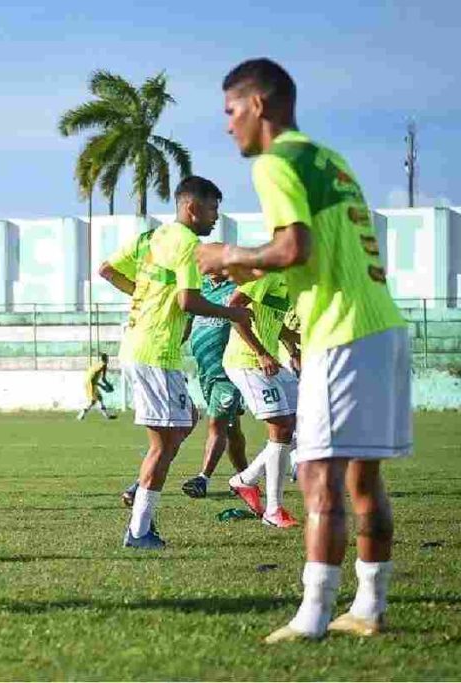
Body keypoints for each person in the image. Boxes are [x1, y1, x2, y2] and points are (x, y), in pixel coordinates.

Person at [198, 58, 411, 641]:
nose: (228, 126)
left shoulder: (278, 161)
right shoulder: (329, 159)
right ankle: (368, 608)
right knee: (362, 479)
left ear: (258, 106)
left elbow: (293, 246)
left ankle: (312, 617)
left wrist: (228, 256)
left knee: (317, 474)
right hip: (381, 324)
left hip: (343, 334)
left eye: (230, 111)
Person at [101, 175, 251, 549]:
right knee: (164, 445)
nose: (216, 216)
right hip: (155, 351)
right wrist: (233, 315)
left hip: (141, 345)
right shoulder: (187, 244)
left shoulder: (153, 237)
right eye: (213, 208)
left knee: (184, 423)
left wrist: (144, 295)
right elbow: (189, 302)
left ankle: (140, 500)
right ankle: (138, 530)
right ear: (192, 207)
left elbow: (107, 269)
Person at [222, 271, 300, 528]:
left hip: (270, 362)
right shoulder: (267, 273)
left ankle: (246, 480)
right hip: (248, 362)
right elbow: (233, 307)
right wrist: (261, 352)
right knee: (281, 427)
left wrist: (295, 348)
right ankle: (273, 511)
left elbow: (278, 326)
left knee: (303, 423)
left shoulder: (292, 280)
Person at [180, 273, 249, 499]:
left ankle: (202, 479)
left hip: (227, 368)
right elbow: (187, 325)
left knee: (216, 423)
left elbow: (246, 317)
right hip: (205, 370)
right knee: (231, 428)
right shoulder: (200, 289)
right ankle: (245, 479)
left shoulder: (239, 285)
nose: (205, 266)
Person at [77, 353, 116, 420]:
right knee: (92, 401)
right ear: (106, 359)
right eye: (107, 358)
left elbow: (93, 375)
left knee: (100, 398)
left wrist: (102, 386)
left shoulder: (98, 364)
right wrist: (107, 385)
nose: (108, 360)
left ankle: (106, 415)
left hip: (88, 381)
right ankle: (81, 415)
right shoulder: (103, 365)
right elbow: (103, 379)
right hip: (90, 382)